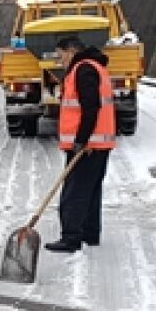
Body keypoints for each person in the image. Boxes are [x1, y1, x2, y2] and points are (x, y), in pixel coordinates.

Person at [46, 36, 116, 252]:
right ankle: (90, 233)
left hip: (87, 146)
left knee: (74, 192)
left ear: (71, 51)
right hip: (98, 144)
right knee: (91, 190)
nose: (61, 62)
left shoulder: (83, 69)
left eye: (61, 56)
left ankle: (71, 238)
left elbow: (90, 107)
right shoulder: (95, 67)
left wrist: (81, 140)